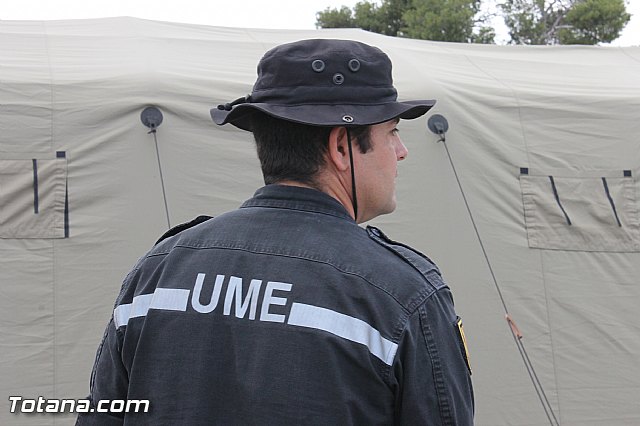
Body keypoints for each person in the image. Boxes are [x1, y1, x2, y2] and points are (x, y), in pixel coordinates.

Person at [77, 39, 474, 425]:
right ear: (340, 147)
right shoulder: (403, 294)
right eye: (391, 132)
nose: (402, 151)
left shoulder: (157, 273)